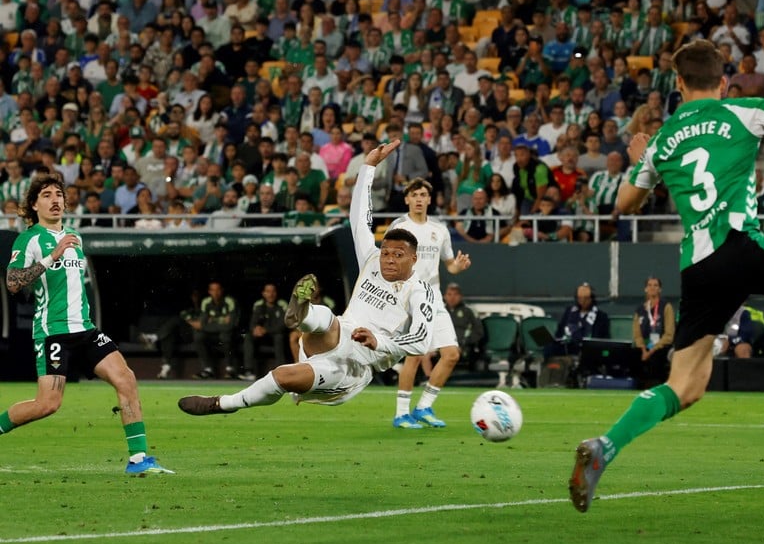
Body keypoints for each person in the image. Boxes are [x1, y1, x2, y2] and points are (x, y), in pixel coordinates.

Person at [570, 42, 764, 514]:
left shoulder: (666, 136)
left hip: (699, 267)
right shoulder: (743, 110)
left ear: (680, 85)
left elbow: (624, 206)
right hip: (741, 244)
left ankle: (605, 446)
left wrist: (640, 159)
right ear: (724, 82)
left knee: (685, 386)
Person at [177, 140, 439, 415]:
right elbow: (359, 219)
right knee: (326, 316)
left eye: (398, 255)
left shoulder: (419, 290)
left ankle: (223, 404)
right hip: (335, 334)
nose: (388, 259)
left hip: (356, 366)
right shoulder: (372, 261)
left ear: (414, 259)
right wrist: (368, 167)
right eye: (386, 252)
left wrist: (380, 341)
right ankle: (301, 313)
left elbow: (421, 340)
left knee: (281, 377)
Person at [1, 173, 172, 475]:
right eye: (46, 195)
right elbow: (14, 284)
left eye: (58, 194)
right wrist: (51, 256)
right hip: (54, 332)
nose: (55, 199)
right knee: (48, 404)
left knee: (126, 379)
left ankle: (138, 459)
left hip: (87, 330)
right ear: (34, 204)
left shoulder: (75, 237)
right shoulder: (28, 239)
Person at [389, 177, 472, 429]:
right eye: (414, 195)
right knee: (414, 355)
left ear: (429, 199)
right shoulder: (399, 227)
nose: (419, 199)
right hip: (408, 297)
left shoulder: (440, 230)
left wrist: (458, 266)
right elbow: (386, 263)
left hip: (434, 297)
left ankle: (424, 406)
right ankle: (401, 413)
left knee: (451, 354)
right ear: (407, 199)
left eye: (423, 195)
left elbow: (450, 265)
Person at [631, 277, 675, 387]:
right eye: (649, 285)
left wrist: (652, 350)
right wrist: (643, 349)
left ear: (660, 289)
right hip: (645, 346)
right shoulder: (640, 309)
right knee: (632, 355)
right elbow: (637, 334)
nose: (652, 288)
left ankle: (657, 386)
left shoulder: (666, 307)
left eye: (655, 285)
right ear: (645, 289)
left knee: (656, 358)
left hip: (661, 346)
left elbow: (669, 334)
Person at [192, 281, 240, 380]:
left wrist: (212, 321)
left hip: (228, 334)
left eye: (218, 289)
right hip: (212, 334)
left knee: (225, 336)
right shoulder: (206, 302)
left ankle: (230, 369)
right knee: (199, 336)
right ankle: (207, 370)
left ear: (222, 291)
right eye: (213, 290)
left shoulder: (229, 301)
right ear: (209, 291)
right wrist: (222, 321)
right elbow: (202, 324)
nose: (216, 292)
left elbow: (231, 325)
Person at [241, 283, 288, 380]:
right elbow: (252, 324)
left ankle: (281, 371)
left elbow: (283, 325)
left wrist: (266, 330)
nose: (270, 294)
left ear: (276, 293)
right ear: (263, 293)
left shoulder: (282, 304)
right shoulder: (259, 305)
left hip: (276, 335)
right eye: (268, 291)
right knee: (249, 337)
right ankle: (248, 371)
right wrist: (255, 329)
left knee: (279, 337)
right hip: (262, 336)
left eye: (273, 291)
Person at [442, 283, 484, 371]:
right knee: (423, 356)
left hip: (463, 347)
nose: (452, 298)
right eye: (449, 294)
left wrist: (464, 343)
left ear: (460, 296)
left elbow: (478, 332)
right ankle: (428, 379)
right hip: (441, 346)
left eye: (455, 294)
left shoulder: (469, 312)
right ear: (444, 296)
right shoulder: (440, 312)